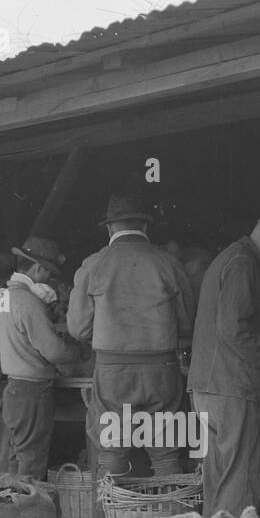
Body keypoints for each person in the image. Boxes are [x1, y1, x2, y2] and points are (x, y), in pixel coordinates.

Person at [68, 193, 196, 478]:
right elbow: (187, 323)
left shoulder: (93, 265)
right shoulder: (169, 263)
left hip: (113, 371)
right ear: (146, 227)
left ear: (109, 227)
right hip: (161, 369)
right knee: (165, 451)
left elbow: (78, 329)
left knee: (112, 452)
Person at [189, 211, 260, 516]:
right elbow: (232, 328)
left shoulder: (233, 258)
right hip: (232, 388)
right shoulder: (243, 265)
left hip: (210, 387)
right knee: (240, 477)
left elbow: (247, 325)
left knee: (219, 477)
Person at [0, 236, 80, 479]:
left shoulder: (4, 297)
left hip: (14, 388)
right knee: (32, 462)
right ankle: (31, 514)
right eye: (47, 273)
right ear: (38, 268)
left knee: (16, 459)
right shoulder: (28, 302)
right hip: (32, 392)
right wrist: (76, 353)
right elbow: (53, 350)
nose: (48, 279)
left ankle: (12, 511)